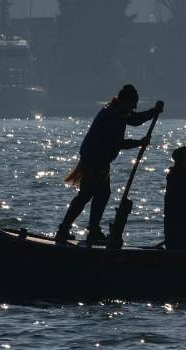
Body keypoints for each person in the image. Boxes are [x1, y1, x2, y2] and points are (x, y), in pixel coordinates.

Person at [57, 84, 163, 244]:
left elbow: (135, 120)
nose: (134, 107)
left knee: (102, 195)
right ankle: (65, 229)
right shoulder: (111, 115)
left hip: (101, 162)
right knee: (86, 195)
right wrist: (139, 143)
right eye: (133, 103)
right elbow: (117, 142)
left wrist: (153, 112)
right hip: (93, 161)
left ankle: (93, 230)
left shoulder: (120, 112)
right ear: (124, 101)